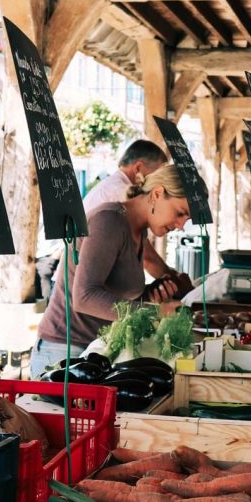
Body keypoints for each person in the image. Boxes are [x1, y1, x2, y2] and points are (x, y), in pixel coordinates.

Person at [30, 165, 190, 376]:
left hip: (95, 352)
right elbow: (85, 297)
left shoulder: (138, 230)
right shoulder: (109, 220)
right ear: (157, 194)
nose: (181, 226)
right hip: (64, 353)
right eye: (180, 214)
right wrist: (156, 312)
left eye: (186, 220)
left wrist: (150, 295)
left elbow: (115, 295)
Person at [83, 139, 177, 282]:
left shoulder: (113, 186)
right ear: (138, 168)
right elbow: (147, 258)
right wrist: (174, 280)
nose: (160, 181)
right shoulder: (120, 194)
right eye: (158, 174)